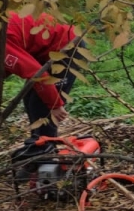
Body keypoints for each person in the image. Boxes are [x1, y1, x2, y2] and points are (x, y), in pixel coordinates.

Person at [4, 12, 81, 143]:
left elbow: (35, 73)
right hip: (42, 50)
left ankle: (47, 154)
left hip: (66, 45)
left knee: (43, 109)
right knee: (29, 99)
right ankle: (37, 145)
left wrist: (55, 104)